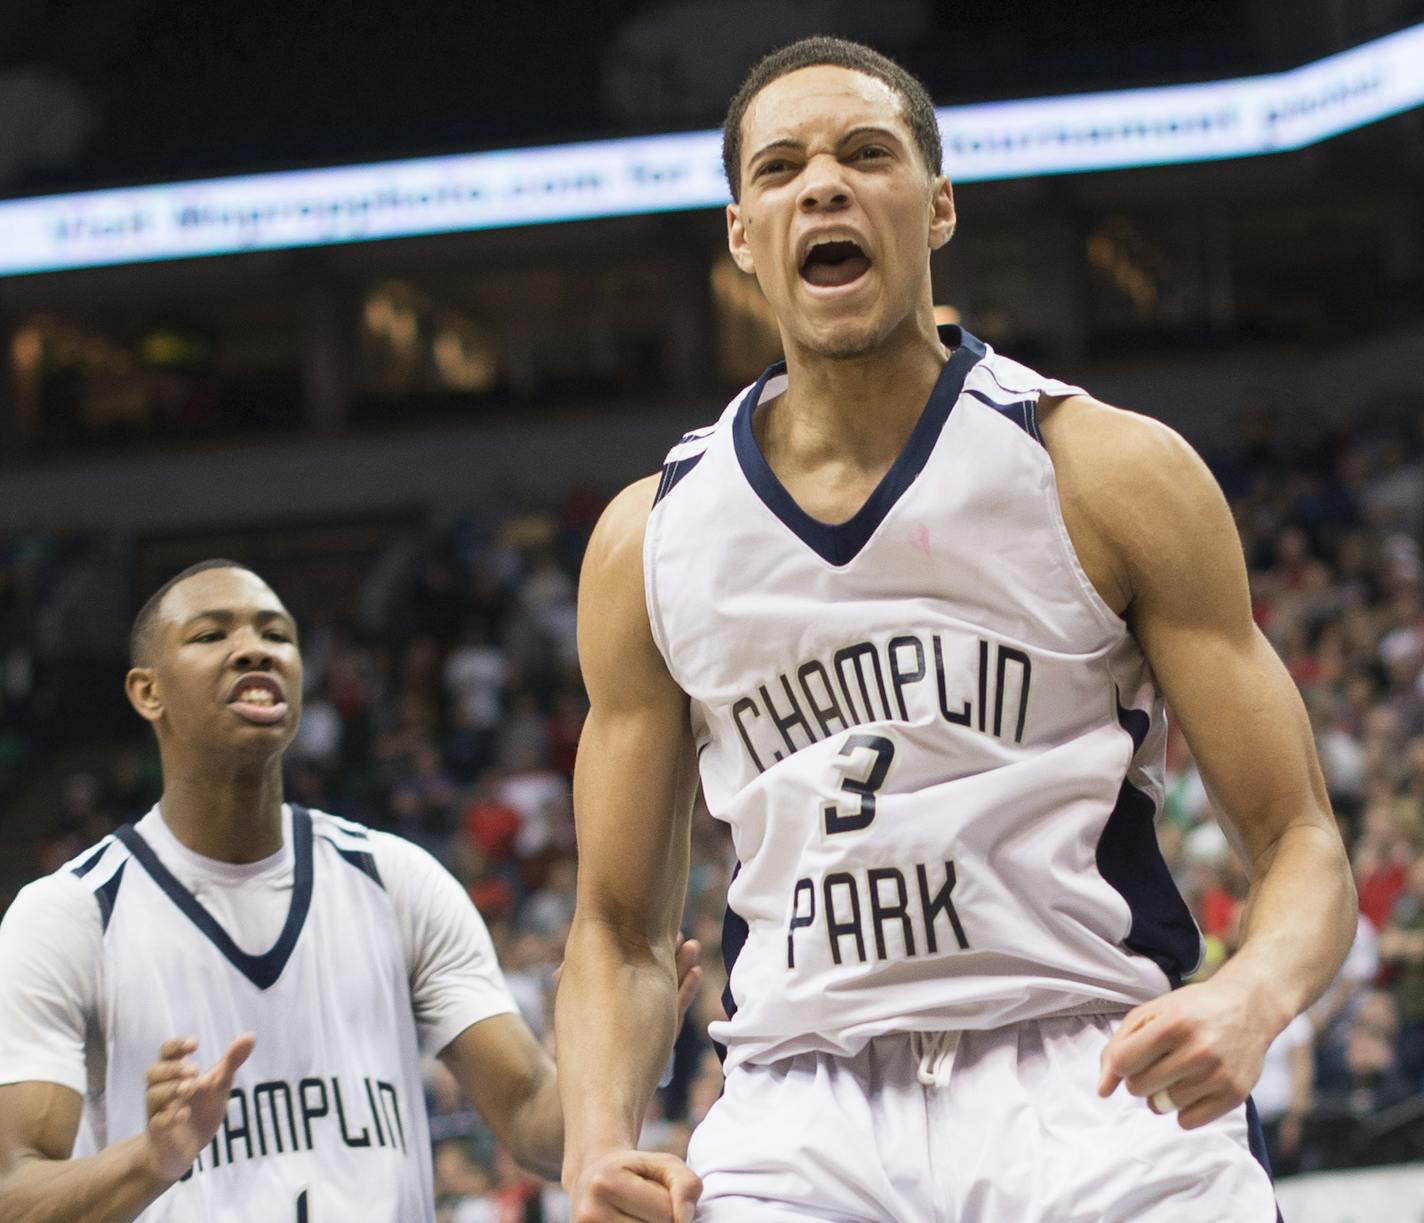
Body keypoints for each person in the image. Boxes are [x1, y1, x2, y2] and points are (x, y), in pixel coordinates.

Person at [555, 35, 1356, 1223]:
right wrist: (594, 1143)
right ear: (741, 235)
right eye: (779, 169)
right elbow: (618, 928)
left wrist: (1250, 994)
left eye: (864, 154)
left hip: (1089, 1069)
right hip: (799, 1103)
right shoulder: (647, 541)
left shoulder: (1101, 469)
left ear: (935, 209)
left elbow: (1299, 837)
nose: (821, 184)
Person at [0, 559, 698, 1222]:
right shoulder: (68, 915)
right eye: (212, 634)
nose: (254, 650)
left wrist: (626, 1049)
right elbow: (14, 1193)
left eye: (276, 633)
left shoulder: (398, 880)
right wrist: (151, 1158)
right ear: (147, 690)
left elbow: (536, 1124)